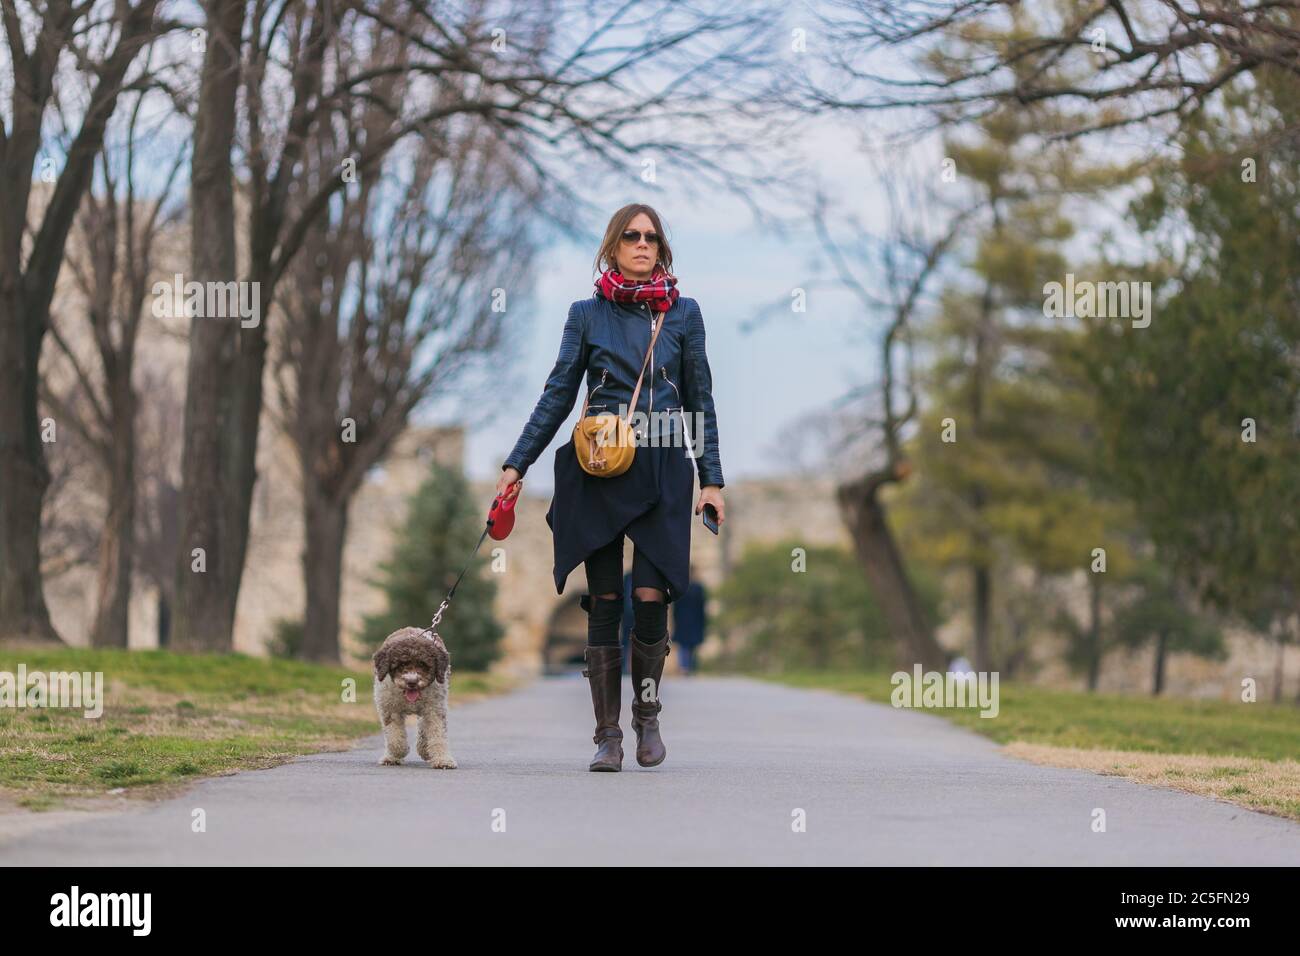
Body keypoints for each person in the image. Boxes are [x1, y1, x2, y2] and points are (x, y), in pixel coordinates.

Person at [496, 203, 725, 772]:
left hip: (665, 465)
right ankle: (606, 736)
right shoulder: (585, 314)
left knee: (650, 597)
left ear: (661, 249)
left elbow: (700, 399)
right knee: (603, 598)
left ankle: (646, 719)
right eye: (631, 237)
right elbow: (557, 393)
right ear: (613, 246)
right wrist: (517, 463)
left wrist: (712, 479)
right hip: (599, 465)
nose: (642, 245)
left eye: (651, 238)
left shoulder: (685, 314)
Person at [671, 577, 707, 674]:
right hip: (693, 621)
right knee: (688, 645)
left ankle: (685, 666)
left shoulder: (682, 587)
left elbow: (676, 607)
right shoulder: (697, 588)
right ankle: (687, 666)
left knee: (685, 645)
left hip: (684, 620)